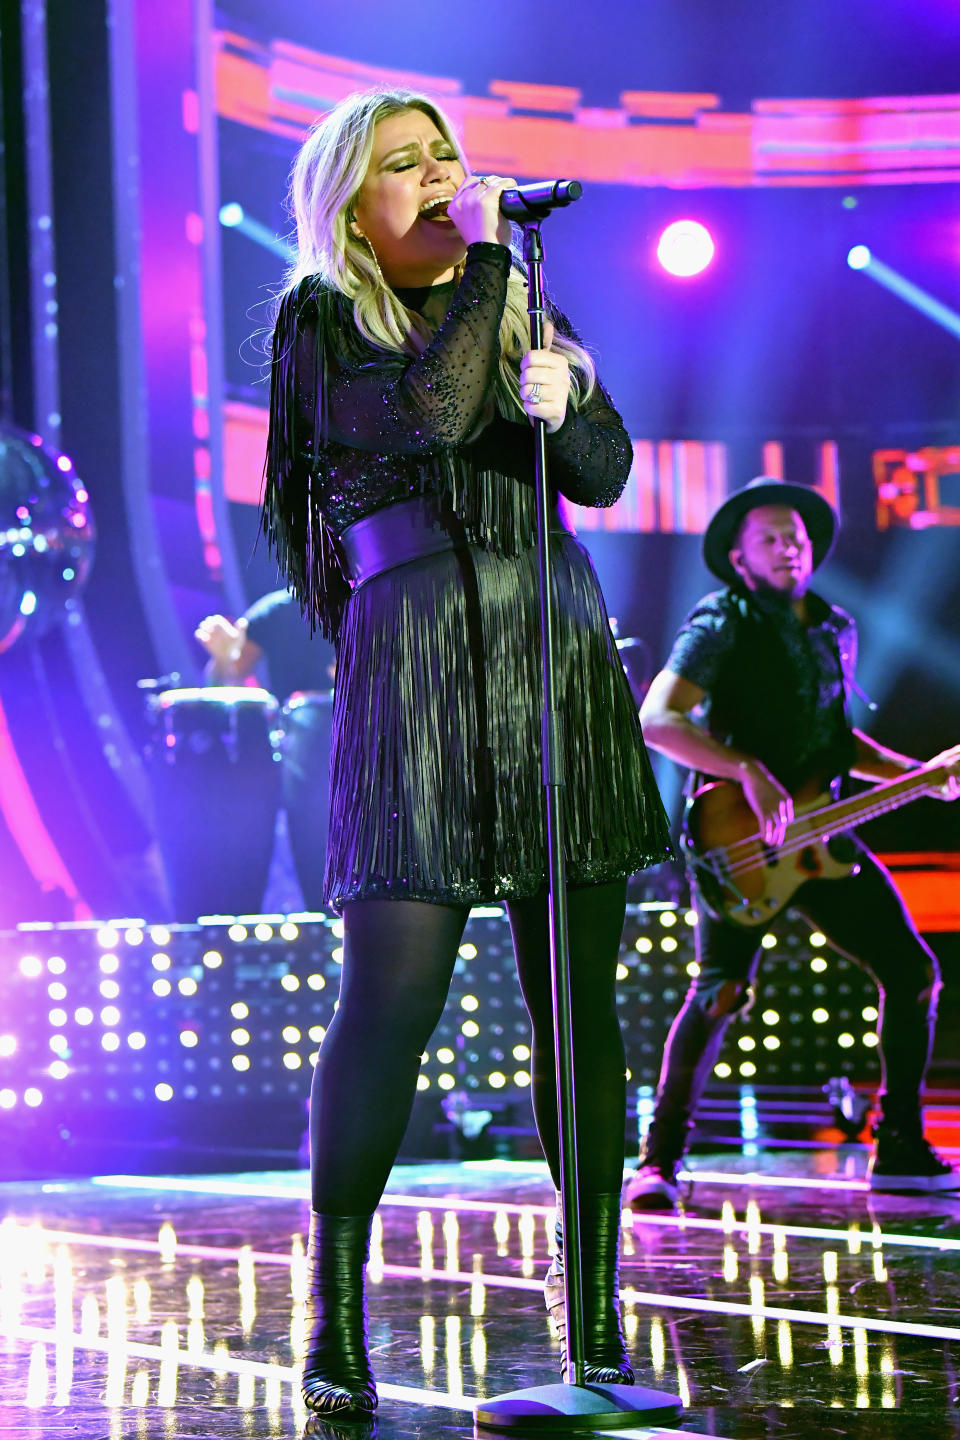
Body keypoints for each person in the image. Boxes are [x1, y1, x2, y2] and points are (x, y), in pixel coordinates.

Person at [260, 88, 672, 1419]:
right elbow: (432, 417)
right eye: (406, 165)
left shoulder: (517, 307)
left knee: (579, 1008)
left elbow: (601, 477)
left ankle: (598, 1329)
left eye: (448, 156)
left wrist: (573, 390)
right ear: (352, 207)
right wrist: (493, 265)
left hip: (552, 648)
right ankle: (334, 1318)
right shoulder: (324, 319)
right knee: (394, 994)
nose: (440, 177)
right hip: (417, 655)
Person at [625, 477, 960, 1212]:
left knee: (911, 971)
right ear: (740, 558)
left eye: (798, 536)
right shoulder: (720, 621)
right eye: (772, 537)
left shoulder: (833, 625)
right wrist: (748, 771)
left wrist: (918, 776)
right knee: (720, 991)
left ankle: (900, 1143)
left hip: (824, 837)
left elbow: (838, 742)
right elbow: (659, 719)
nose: (790, 546)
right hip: (740, 841)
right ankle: (658, 1162)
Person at [194, 588, 335, 699]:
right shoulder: (272, 613)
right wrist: (222, 660)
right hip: (292, 728)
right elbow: (227, 682)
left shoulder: (355, 610)